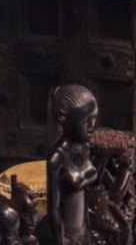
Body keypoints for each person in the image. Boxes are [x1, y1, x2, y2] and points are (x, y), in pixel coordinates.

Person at [47, 85, 99, 245]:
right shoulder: (56, 159)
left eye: (94, 118)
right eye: (85, 121)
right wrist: (60, 241)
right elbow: (53, 210)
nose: (91, 127)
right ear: (64, 119)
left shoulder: (84, 148)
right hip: (67, 234)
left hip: (84, 226)